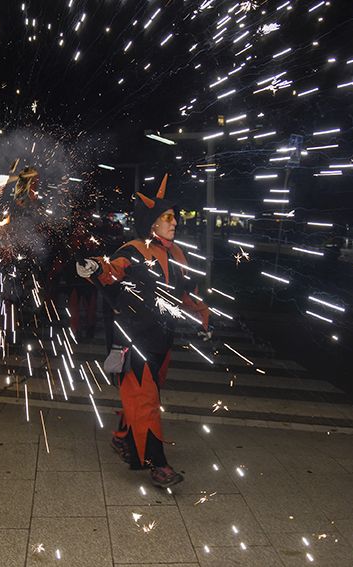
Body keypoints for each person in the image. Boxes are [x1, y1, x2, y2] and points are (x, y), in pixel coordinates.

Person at [76, 175, 211, 488]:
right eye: (168, 217)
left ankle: (122, 437)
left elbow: (185, 294)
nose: (174, 222)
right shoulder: (134, 250)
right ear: (152, 223)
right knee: (146, 401)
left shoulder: (178, 254)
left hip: (162, 339)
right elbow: (113, 269)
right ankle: (157, 464)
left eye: (174, 217)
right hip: (132, 339)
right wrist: (95, 267)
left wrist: (203, 316)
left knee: (143, 397)